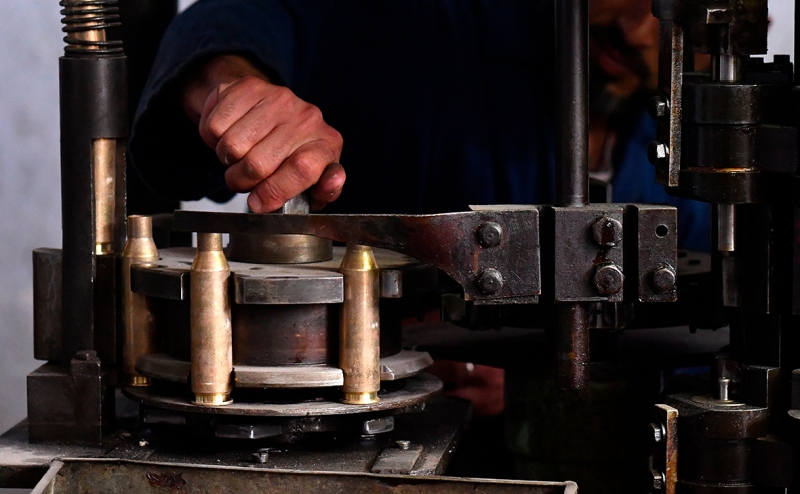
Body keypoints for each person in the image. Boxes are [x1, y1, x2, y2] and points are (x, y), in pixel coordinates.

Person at [129, 0, 711, 415]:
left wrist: (553, 392)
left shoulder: (689, 176)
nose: (635, 30)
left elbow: (702, 362)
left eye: (669, 11)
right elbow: (241, 17)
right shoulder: (432, 28)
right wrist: (232, 87)